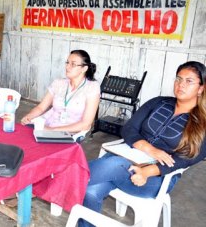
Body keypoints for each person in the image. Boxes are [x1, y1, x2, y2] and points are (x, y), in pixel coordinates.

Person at [79, 61, 206, 227]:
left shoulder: (201, 123)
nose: (181, 84)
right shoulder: (159, 103)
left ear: (201, 88)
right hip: (123, 161)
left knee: (114, 164)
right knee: (90, 191)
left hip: (155, 178)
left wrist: (147, 172)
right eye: (178, 79)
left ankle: (64, 178)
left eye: (189, 81)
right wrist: (149, 149)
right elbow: (129, 129)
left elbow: (186, 159)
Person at [21, 50, 100, 133]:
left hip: (69, 133)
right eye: (67, 63)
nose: (67, 67)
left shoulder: (92, 87)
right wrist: (29, 116)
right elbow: (41, 107)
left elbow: (86, 124)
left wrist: (53, 130)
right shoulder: (59, 83)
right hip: (47, 125)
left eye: (73, 64)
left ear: (84, 68)